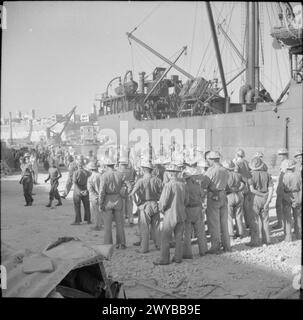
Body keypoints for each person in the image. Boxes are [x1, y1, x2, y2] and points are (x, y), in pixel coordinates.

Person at [153, 163, 189, 265]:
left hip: (170, 213)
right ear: (177, 174)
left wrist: (162, 209)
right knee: (179, 237)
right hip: (181, 213)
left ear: (169, 173)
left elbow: (163, 202)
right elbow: (187, 201)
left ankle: (164, 259)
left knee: (165, 237)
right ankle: (178, 258)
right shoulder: (183, 185)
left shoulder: (168, 185)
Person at [130, 160, 162, 253]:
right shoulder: (157, 180)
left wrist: (137, 203)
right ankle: (159, 245)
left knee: (144, 227)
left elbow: (132, 193)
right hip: (155, 204)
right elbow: (163, 192)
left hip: (144, 205)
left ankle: (144, 248)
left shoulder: (140, 181)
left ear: (144, 170)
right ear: (151, 170)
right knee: (156, 227)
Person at [205, 151, 231, 254]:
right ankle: (227, 246)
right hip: (223, 195)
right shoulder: (225, 170)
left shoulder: (210, 171)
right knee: (224, 223)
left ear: (211, 160)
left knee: (214, 223)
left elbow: (204, 184)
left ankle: (215, 246)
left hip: (213, 196)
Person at [99, 157, 126, 249]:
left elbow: (102, 191)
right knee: (120, 224)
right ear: (114, 165)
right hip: (118, 199)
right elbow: (124, 187)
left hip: (108, 200)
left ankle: (108, 244)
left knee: (107, 225)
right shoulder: (120, 174)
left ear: (106, 165)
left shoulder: (104, 176)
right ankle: (121, 243)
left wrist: (100, 203)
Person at [247, 157, 274, 247]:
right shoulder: (267, 175)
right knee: (265, 220)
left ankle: (255, 241)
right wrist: (268, 200)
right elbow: (271, 189)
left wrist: (261, 195)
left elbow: (252, 190)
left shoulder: (250, 175)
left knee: (254, 220)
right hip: (265, 197)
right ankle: (267, 240)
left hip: (255, 198)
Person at [182, 167, 208, 259]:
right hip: (197, 209)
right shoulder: (197, 185)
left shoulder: (184, 186)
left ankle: (188, 253)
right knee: (200, 231)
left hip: (188, 209)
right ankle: (203, 251)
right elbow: (203, 195)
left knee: (187, 233)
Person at [222, 160, 246, 240]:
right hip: (238, 195)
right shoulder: (238, 175)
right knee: (239, 216)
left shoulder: (225, 175)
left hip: (229, 195)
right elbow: (243, 184)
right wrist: (238, 189)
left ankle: (231, 235)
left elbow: (223, 187)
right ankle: (240, 233)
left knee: (229, 217)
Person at [282, 159, 302, 241]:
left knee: (287, 217)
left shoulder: (285, 176)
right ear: (293, 167)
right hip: (296, 194)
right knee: (297, 216)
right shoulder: (298, 175)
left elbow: (283, 188)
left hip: (287, 195)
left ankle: (288, 237)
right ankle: (299, 235)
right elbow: (301, 187)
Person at [71, 156, 91, 225]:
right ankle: (88, 220)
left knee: (77, 206)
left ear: (77, 165)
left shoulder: (75, 173)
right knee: (87, 206)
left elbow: (75, 183)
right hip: (85, 190)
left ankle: (78, 221)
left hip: (77, 191)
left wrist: (80, 191)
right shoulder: (87, 172)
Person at [273, 148, 289, 230]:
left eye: (280, 155)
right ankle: (282, 223)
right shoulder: (284, 163)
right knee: (280, 206)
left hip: (283, 188)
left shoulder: (285, 163)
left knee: (280, 206)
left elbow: (285, 177)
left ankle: (281, 224)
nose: (279, 156)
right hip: (281, 187)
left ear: (284, 155)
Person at [118, 156, 136, 225]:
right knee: (130, 205)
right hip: (130, 188)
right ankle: (130, 219)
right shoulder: (132, 170)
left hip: (121, 188)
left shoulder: (119, 171)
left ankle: (122, 220)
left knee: (122, 205)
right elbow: (134, 178)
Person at [87, 161, 103, 231]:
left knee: (95, 212)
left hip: (94, 197)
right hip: (100, 196)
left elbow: (93, 189)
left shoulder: (91, 178)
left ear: (90, 169)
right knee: (99, 212)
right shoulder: (101, 175)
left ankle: (97, 226)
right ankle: (100, 224)